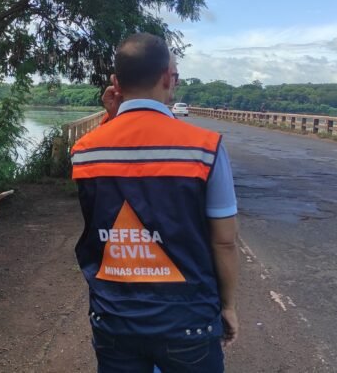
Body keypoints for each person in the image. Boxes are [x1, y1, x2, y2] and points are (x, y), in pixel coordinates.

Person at [70, 33, 239, 372]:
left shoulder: (85, 151)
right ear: (166, 77)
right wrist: (228, 306)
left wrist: (113, 119)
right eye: (174, 75)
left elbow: (105, 211)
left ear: (116, 83)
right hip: (188, 320)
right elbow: (224, 240)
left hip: (114, 318)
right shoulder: (205, 148)